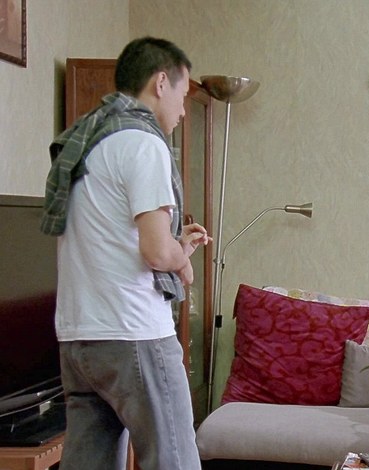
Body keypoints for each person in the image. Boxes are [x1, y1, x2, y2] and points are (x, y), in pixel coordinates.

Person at [41, 37, 209, 470]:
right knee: (173, 462)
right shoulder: (143, 143)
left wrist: (176, 246)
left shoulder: (89, 141)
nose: (183, 111)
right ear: (160, 83)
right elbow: (156, 252)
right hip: (134, 332)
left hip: (79, 338)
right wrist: (181, 260)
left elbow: (114, 238)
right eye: (183, 95)